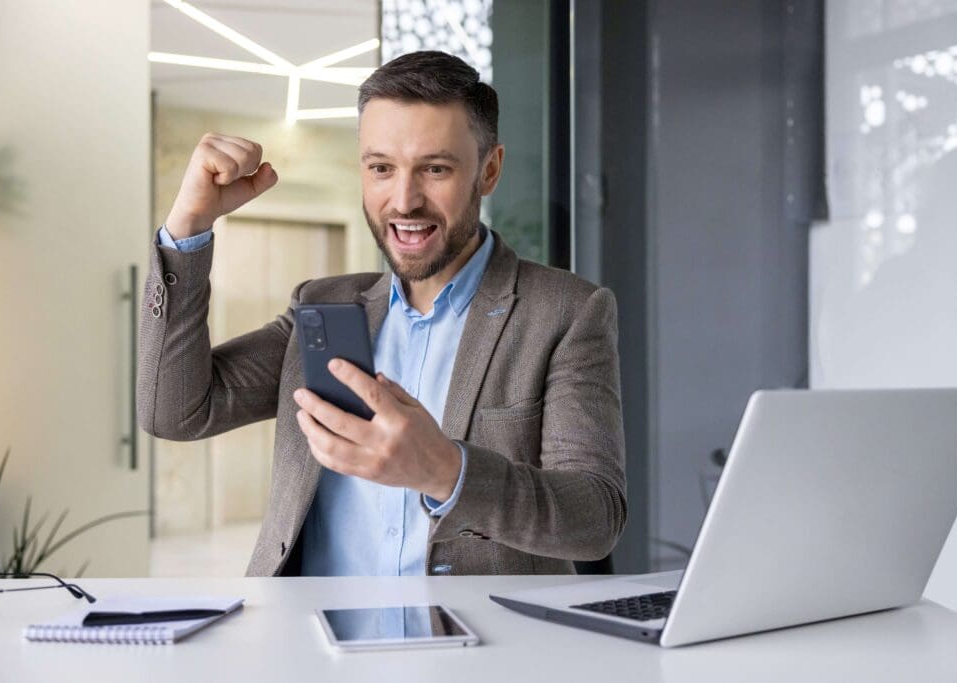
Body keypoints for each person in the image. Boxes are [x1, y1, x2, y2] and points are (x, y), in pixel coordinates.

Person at [138, 51, 626, 577]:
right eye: (381, 169)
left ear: (489, 170)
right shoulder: (322, 307)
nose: (404, 200)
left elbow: (594, 518)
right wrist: (188, 225)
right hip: (315, 648)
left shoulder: (566, 313)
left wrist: (445, 470)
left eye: (435, 168)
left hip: (480, 650)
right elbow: (175, 412)